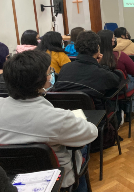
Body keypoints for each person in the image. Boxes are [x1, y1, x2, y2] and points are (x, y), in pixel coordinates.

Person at [0, 50, 98, 190]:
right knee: (82, 147)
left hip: (9, 179)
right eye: (48, 72)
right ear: (40, 82)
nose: (50, 75)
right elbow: (92, 132)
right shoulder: (59, 118)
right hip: (57, 179)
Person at [54, 31, 121, 110]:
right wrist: (100, 66)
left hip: (67, 116)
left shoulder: (65, 68)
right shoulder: (101, 73)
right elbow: (116, 81)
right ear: (97, 48)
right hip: (95, 117)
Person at [97, 30, 134, 122]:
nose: (115, 39)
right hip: (121, 90)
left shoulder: (95, 58)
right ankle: (129, 112)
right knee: (132, 79)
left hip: (102, 91)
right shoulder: (120, 55)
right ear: (110, 41)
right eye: (113, 38)